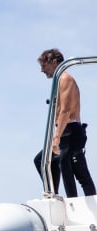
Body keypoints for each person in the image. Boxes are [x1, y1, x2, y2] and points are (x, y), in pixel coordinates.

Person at [34, 48, 96, 198]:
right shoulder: (59, 81)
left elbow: (66, 111)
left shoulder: (65, 79)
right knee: (42, 160)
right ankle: (54, 195)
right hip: (66, 130)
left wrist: (56, 137)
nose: (41, 70)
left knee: (69, 167)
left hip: (70, 130)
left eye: (44, 66)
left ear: (54, 62)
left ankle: (72, 202)